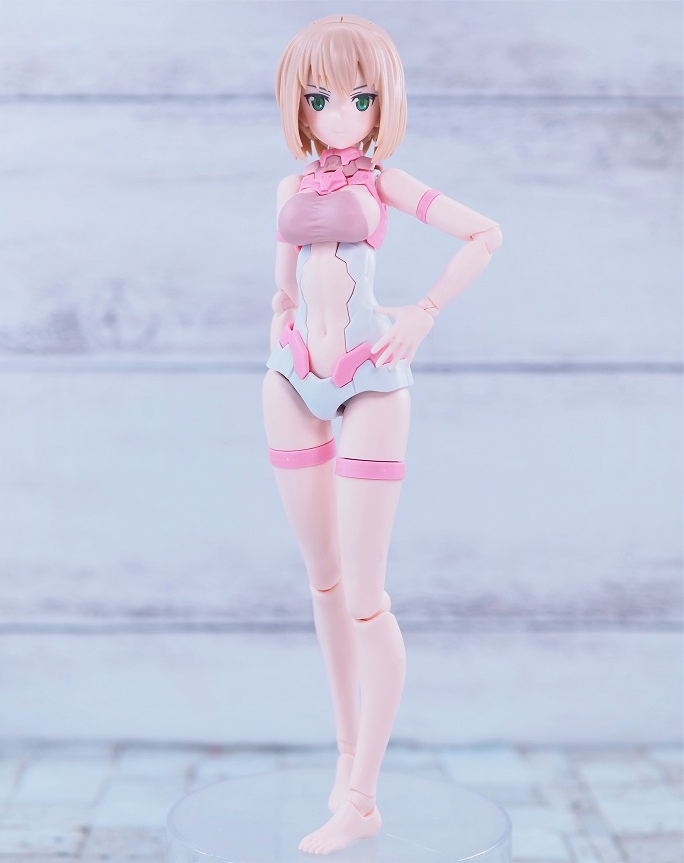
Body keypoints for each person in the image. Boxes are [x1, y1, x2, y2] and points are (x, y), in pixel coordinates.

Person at [262, 14, 503, 854]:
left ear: (382, 102)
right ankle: (342, 760)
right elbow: (284, 288)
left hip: (371, 375)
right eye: (320, 96)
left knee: (366, 596)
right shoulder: (289, 189)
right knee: (323, 584)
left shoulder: (388, 181)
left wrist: (424, 312)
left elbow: (484, 232)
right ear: (297, 102)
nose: (338, 113)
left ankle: (363, 798)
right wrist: (282, 323)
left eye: (358, 97)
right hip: (291, 376)